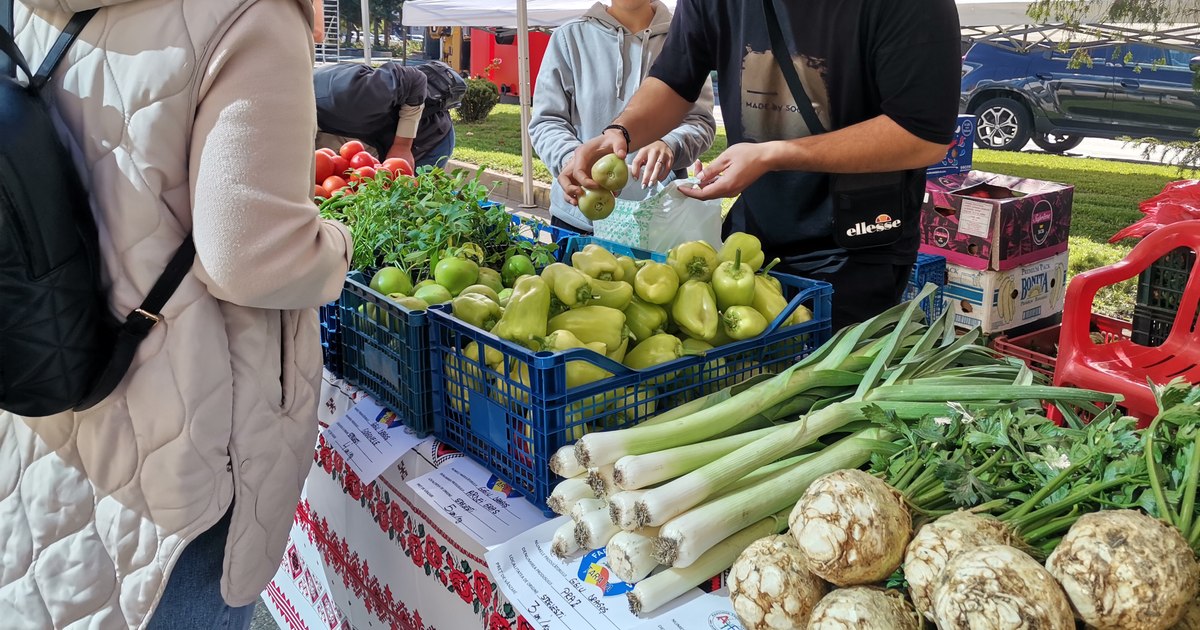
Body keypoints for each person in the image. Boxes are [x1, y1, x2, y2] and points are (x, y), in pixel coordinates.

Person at [3, 0, 352, 628]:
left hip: (51, 391)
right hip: (185, 448)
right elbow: (254, 258)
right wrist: (338, 246)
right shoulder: (251, 15)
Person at [558, 0, 962, 328]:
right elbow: (675, 79)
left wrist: (774, 154)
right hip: (753, 236)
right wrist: (621, 133)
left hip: (857, 243)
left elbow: (922, 136)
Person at [530, 0, 716, 235]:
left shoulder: (686, 40)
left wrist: (670, 144)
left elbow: (700, 121)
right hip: (580, 213)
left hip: (658, 215)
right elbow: (546, 121)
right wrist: (572, 160)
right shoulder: (569, 37)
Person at [314, 60, 459, 169]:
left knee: (406, 202)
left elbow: (415, 79)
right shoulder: (308, 118)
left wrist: (402, 145)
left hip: (427, 139)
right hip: (380, 142)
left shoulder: (346, 95)